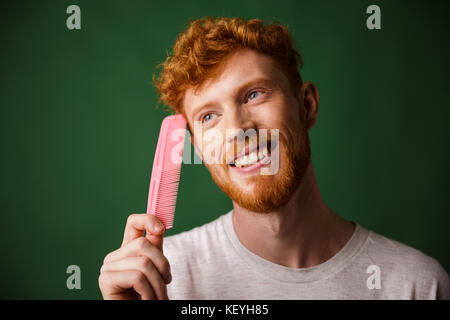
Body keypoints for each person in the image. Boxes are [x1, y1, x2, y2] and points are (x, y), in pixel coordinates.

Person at [98, 17, 449, 300]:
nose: (237, 130)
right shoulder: (159, 280)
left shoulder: (417, 285)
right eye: (208, 116)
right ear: (197, 147)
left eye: (253, 95)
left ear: (306, 105)